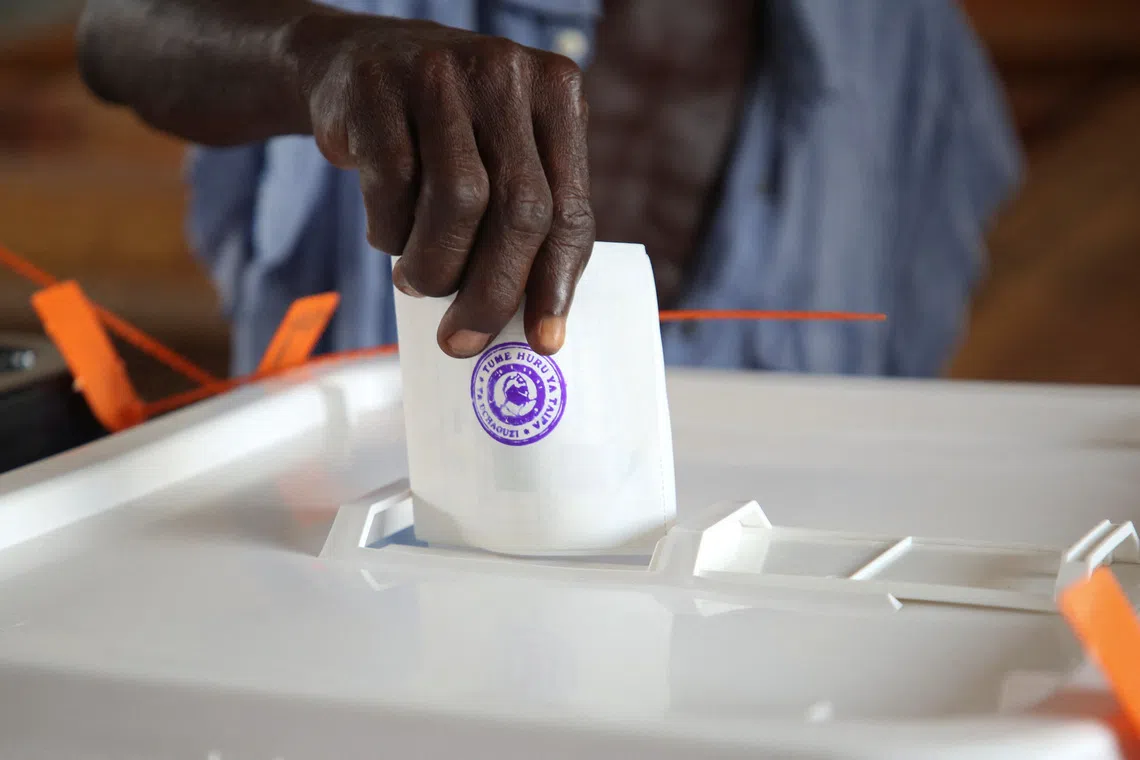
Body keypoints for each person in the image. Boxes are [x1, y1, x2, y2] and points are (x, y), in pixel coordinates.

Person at [76, 0, 1021, 377]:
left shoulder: (894, 34)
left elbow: (919, 333)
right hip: (348, 588)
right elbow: (116, 32)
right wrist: (316, 55)